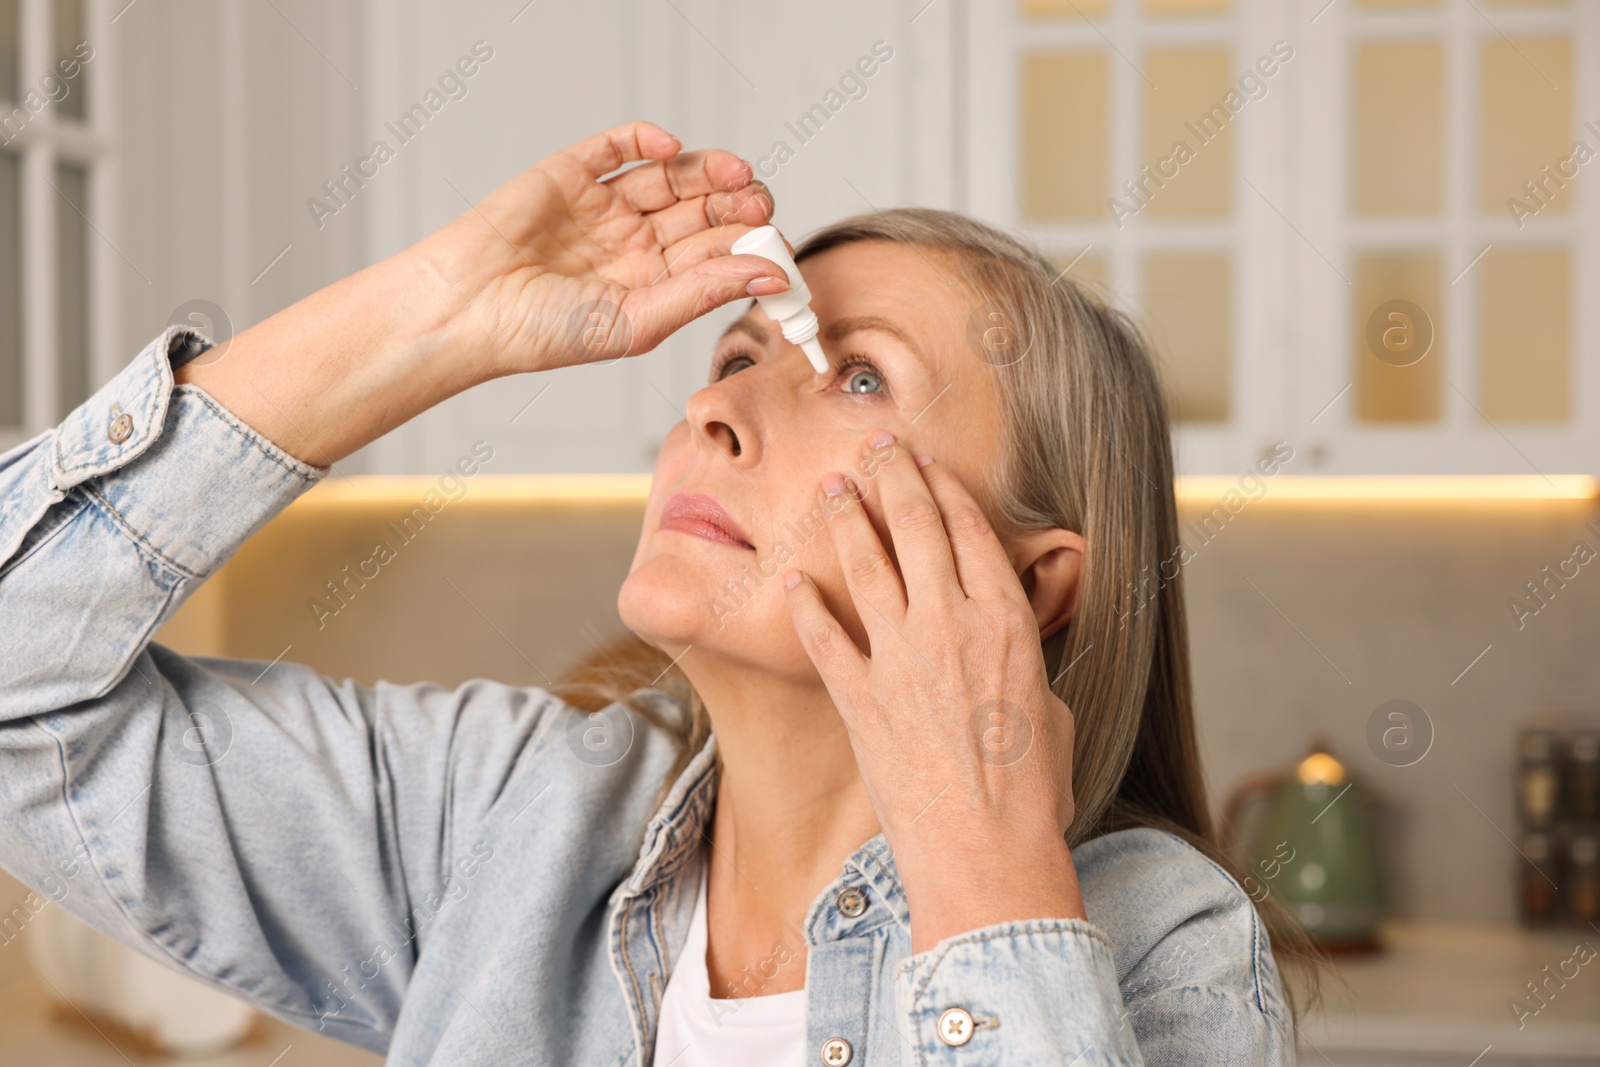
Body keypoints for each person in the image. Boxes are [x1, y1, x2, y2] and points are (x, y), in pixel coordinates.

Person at [0, 120, 1309, 1066]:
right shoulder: (508, 824)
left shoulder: (1160, 945)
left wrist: (979, 857)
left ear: (1032, 584)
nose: (716, 409)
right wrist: (438, 316)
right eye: (737, 353)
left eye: (856, 377)